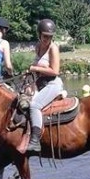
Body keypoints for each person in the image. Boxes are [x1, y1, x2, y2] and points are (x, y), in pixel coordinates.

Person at [26, 19, 64, 152]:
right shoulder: (38, 46)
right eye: (44, 36)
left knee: (34, 105)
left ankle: (35, 141)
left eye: (50, 37)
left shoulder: (53, 48)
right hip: (39, 83)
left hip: (52, 83)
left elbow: (55, 71)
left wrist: (35, 68)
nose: (47, 39)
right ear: (39, 35)